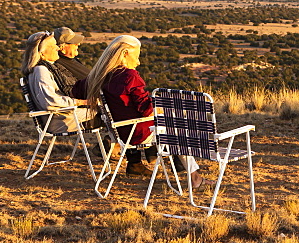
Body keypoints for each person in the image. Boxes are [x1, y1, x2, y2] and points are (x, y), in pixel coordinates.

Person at [79, 35, 206, 187]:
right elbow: (146, 111)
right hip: (137, 133)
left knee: (171, 124)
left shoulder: (100, 75)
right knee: (177, 127)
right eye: (137, 56)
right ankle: (194, 177)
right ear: (125, 54)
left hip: (120, 132)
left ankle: (187, 171)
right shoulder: (129, 76)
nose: (138, 62)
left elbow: (76, 91)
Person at [21, 31, 93, 133]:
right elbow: (50, 101)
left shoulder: (42, 69)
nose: (57, 48)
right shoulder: (41, 71)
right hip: (62, 121)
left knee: (110, 111)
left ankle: (112, 145)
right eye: (53, 45)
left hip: (62, 116)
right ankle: (114, 145)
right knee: (110, 112)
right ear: (42, 53)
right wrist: (81, 102)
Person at [52, 26, 90, 95]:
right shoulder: (58, 66)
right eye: (73, 43)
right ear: (62, 48)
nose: (78, 44)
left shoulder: (72, 60)